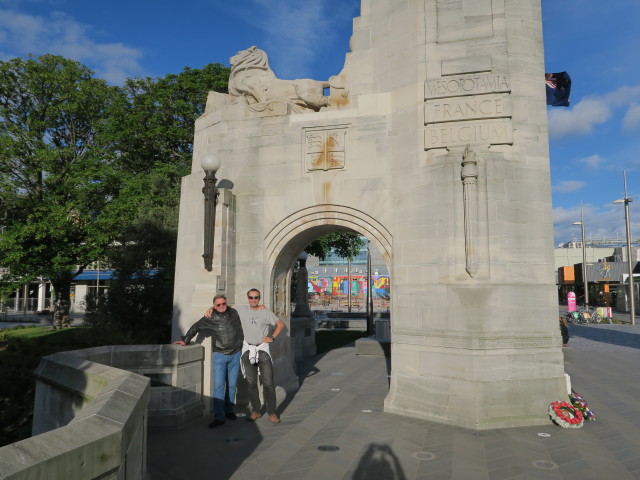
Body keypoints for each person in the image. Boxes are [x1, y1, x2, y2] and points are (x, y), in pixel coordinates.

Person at [209, 289, 285, 424]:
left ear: (259, 298)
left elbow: (280, 324)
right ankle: (256, 410)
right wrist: (211, 308)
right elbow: (224, 306)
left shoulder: (265, 312)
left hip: (262, 351)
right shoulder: (241, 310)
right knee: (251, 384)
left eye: (256, 297)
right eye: (251, 297)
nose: (253, 300)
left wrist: (272, 338)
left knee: (268, 383)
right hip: (247, 350)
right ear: (248, 298)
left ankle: (272, 412)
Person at [174, 294, 243, 428]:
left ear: (226, 303)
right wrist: (186, 340)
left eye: (224, 303)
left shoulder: (233, 312)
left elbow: (246, 308)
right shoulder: (210, 317)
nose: (222, 306)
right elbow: (195, 327)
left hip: (235, 354)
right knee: (218, 387)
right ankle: (219, 417)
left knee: (232, 386)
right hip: (220, 355)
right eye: (218, 305)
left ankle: (229, 411)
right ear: (214, 306)